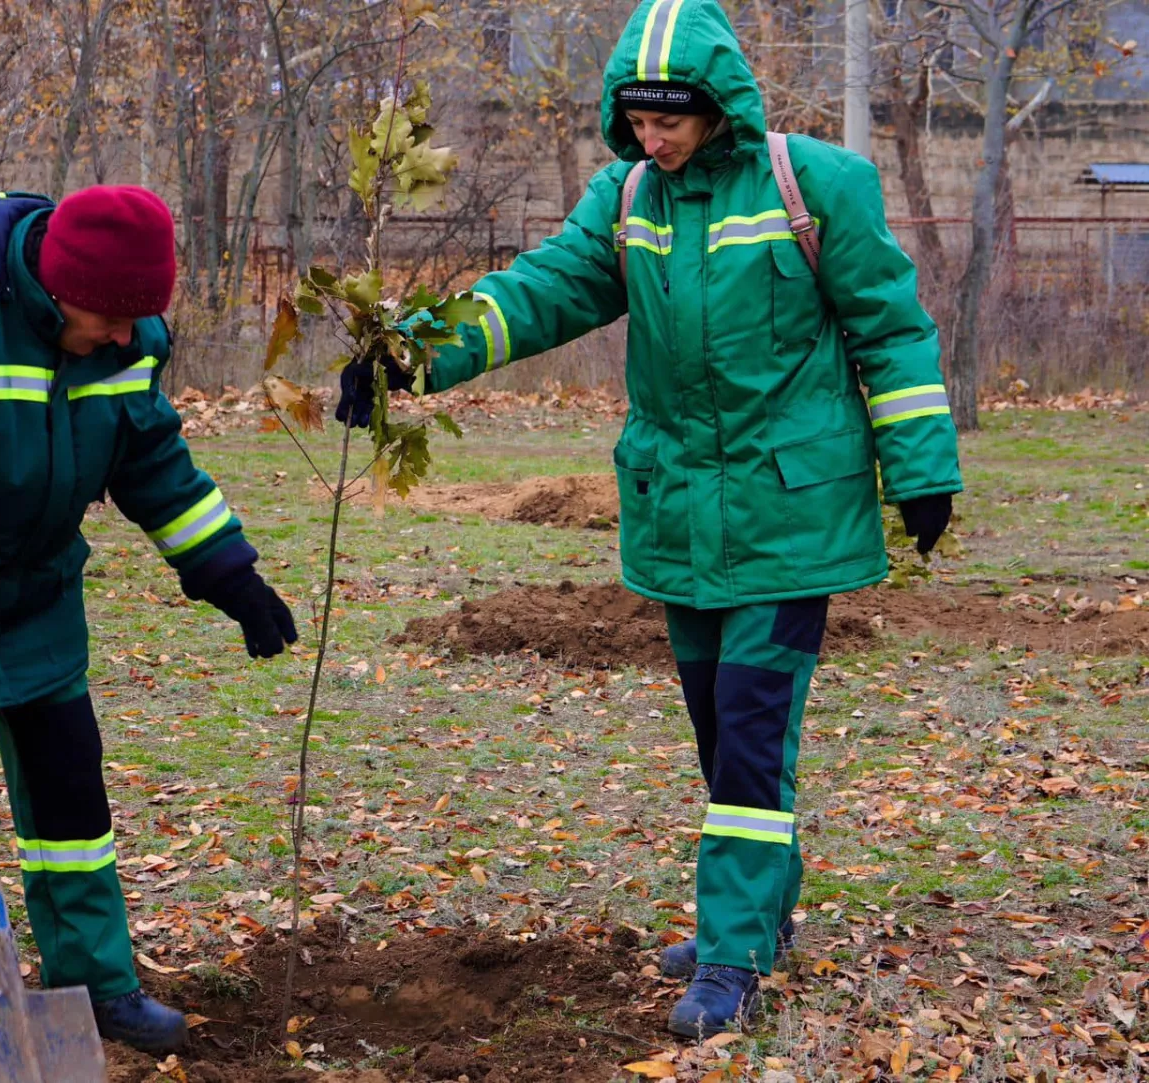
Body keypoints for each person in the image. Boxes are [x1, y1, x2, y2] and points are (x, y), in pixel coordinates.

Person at [338, 0, 961, 1039]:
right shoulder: (627, 199)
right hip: (674, 513)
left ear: (718, 107)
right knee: (721, 734)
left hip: (787, 515)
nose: (652, 137)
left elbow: (892, 333)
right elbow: (540, 291)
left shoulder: (819, 188)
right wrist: (412, 349)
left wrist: (923, 471)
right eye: (636, 118)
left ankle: (732, 958)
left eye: (671, 118)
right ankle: (759, 914)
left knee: (754, 742)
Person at [0, 185, 297, 1066]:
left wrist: (226, 568)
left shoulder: (123, 332)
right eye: (109, 316)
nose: (126, 336)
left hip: (31, 592)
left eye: (139, 318)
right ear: (53, 283)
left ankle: (95, 982)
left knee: (71, 793)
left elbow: (152, 461)